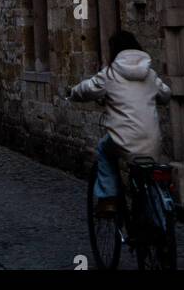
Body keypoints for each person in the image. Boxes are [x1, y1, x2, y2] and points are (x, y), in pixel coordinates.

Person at [66, 30, 171, 217]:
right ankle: (160, 227)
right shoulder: (150, 75)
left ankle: (108, 198)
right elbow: (165, 94)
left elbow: (87, 89)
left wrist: (72, 92)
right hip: (151, 139)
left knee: (103, 150)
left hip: (123, 140)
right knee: (149, 177)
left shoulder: (110, 75)